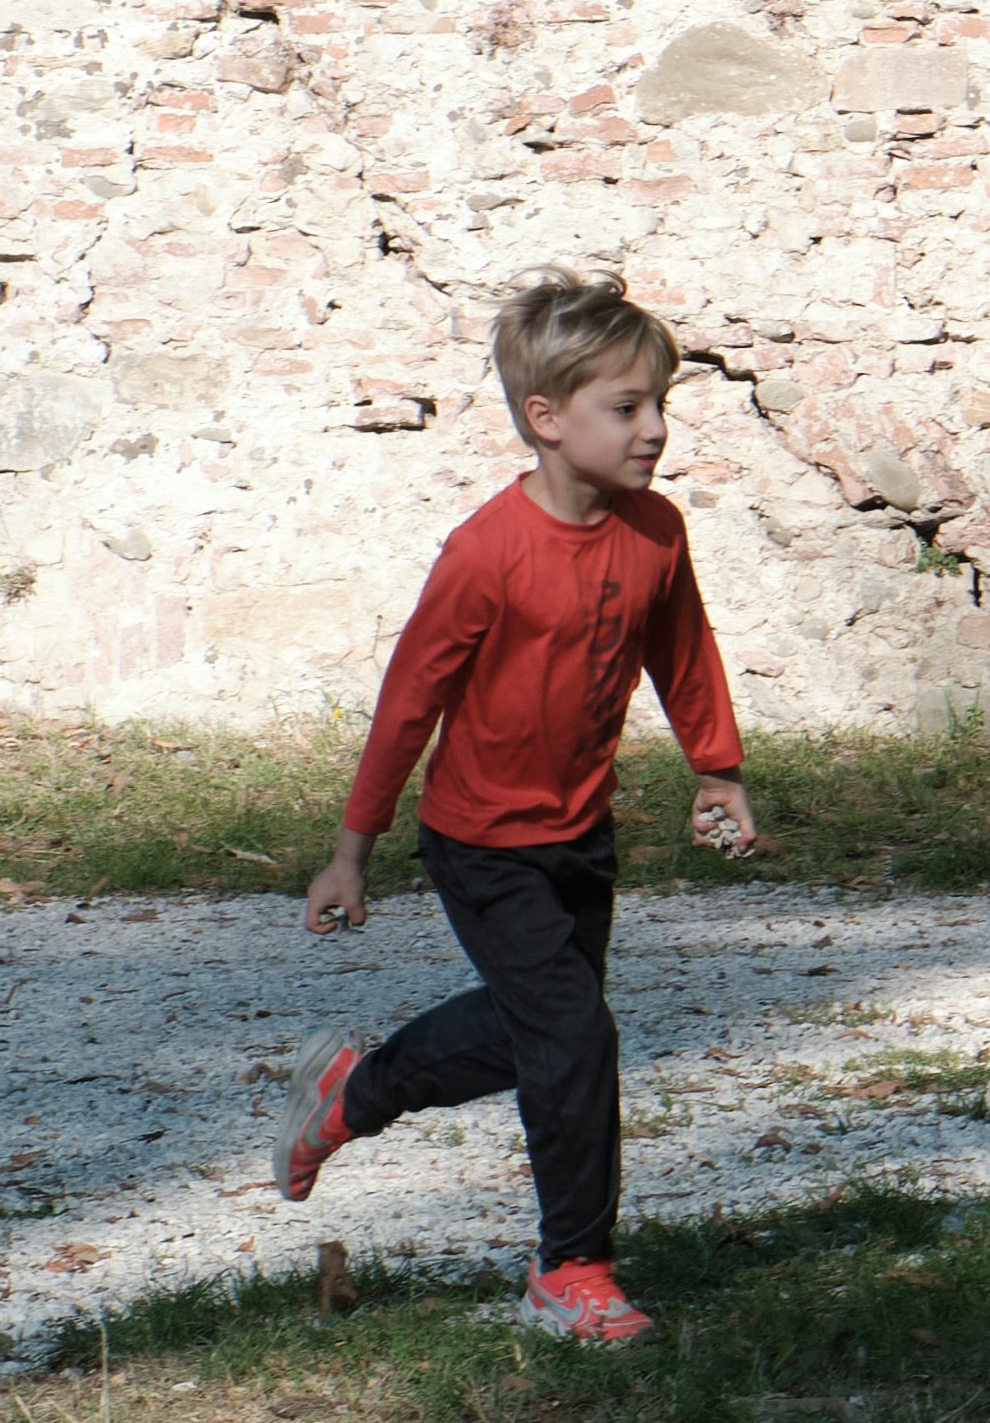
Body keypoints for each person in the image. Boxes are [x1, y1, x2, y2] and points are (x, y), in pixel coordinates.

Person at [276, 277, 761, 1346]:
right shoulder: (486, 554)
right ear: (546, 418)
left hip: (579, 832)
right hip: (481, 840)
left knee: (541, 1030)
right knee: (574, 1036)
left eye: (659, 404)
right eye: (626, 407)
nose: (656, 428)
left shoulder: (655, 532)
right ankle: (570, 1271)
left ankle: (356, 1090)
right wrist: (350, 853)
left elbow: (683, 651)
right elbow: (410, 703)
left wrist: (715, 768)